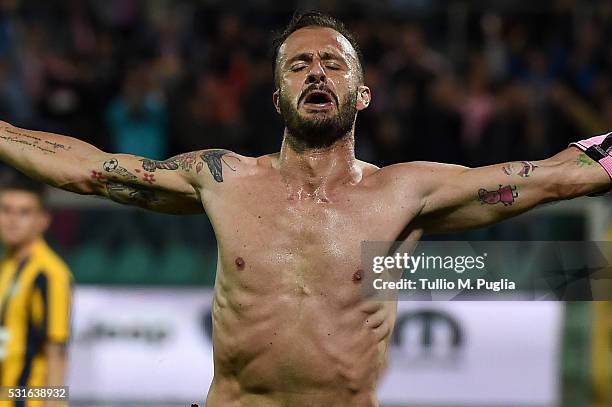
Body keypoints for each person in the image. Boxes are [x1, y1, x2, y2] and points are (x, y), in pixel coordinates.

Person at [0, 11, 609, 407]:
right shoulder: (223, 179)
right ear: (277, 96)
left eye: (333, 63)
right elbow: (93, 170)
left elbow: (555, 179)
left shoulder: (408, 193)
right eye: (298, 65)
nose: (316, 71)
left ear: (361, 93)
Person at [0, 174, 71, 406]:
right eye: (6, 210)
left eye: (24, 212)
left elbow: (56, 354)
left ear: (42, 220)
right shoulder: (7, 266)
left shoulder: (50, 274)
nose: (12, 220)